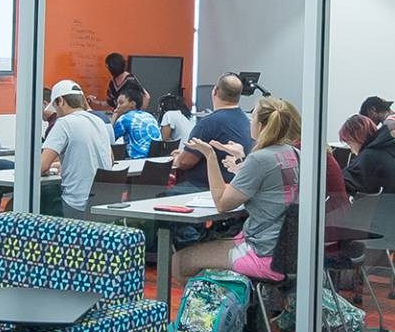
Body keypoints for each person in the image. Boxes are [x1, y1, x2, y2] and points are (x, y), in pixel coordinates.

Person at [174, 96, 303, 283]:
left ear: (260, 125)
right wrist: (242, 161)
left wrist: (210, 155)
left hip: (261, 253)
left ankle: (205, 311)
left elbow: (222, 203)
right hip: (287, 253)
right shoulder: (295, 155)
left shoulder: (259, 159)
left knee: (179, 262)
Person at [41, 78, 114, 218]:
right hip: (102, 202)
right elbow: (110, 159)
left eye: (55, 106)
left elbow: (42, 166)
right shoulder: (98, 121)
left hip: (76, 205)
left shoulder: (63, 123)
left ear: (60, 101)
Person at [174, 73, 254, 190]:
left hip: (203, 187)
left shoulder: (208, 123)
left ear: (215, 91)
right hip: (234, 186)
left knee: (159, 196)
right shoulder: (246, 120)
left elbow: (186, 162)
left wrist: (177, 158)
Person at [338, 113, 395, 197]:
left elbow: (341, 183)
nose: (352, 151)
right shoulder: (389, 149)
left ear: (357, 137)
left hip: (384, 208)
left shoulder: (371, 155)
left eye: (349, 144)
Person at [111, 79, 161, 158]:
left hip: (136, 161)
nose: (118, 107)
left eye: (121, 103)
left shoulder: (125, 118)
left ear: (132, 104)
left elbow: (109, 139)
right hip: (155, 161)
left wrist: (115, 114)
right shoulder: (150, 116)